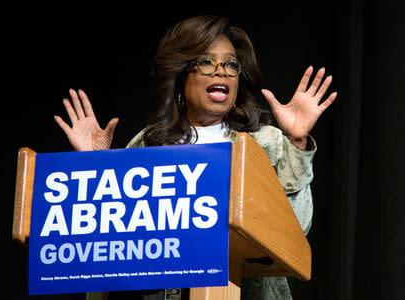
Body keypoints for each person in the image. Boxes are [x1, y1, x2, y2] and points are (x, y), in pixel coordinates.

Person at [54, 15, 336, 300]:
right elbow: (113, 245)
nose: (221, 72)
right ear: (180, 74)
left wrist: (297, 143)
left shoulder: (265, 142)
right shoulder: (147, 144)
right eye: (206, 62)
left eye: (231, 64)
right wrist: (93, 173)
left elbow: (296, 230)